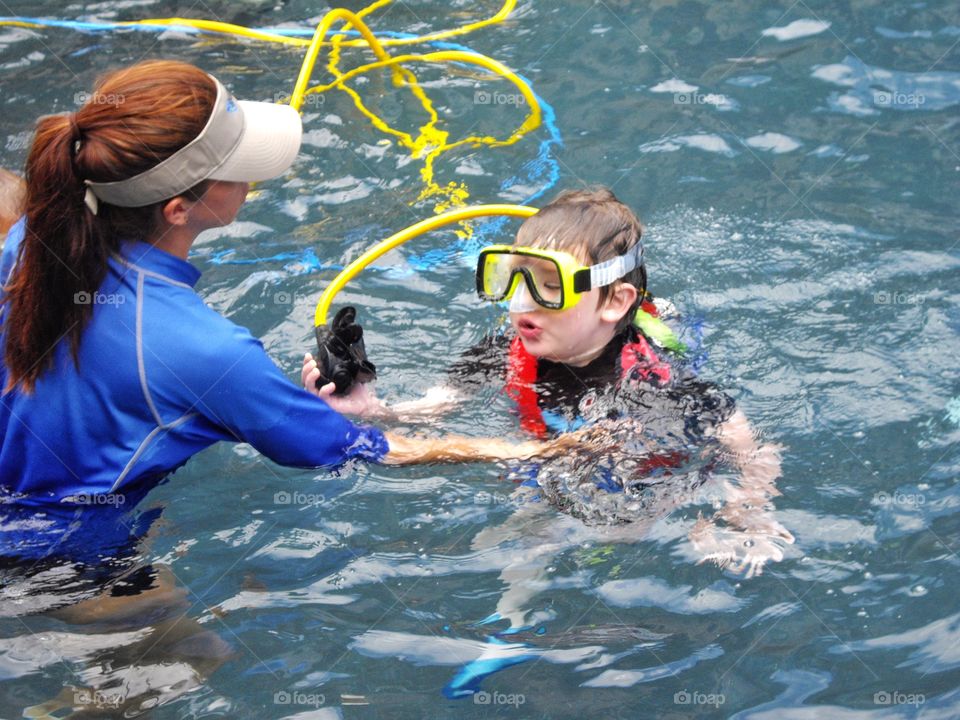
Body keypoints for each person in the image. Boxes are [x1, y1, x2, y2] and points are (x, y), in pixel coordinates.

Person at [0, 59, 570, 545]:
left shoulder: (31, 240)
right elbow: (361, 451)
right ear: (178, 209)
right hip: (62, 548)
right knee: (191, 662)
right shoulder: (210, 354)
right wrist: (530, 450)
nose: (253, 179)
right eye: (238, 167)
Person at [304, 188, 794, 575]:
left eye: (550, 286)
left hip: (648, 468)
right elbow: (438, 404)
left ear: (614, 302)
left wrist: (747, 510)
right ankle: (519, 604)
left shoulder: (651, 381)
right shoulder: (505, 347)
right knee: (531, 513)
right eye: (513, 278)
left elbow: (745, 440)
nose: (520, 303)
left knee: (620, 529)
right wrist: (372, 409)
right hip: (551, 449)